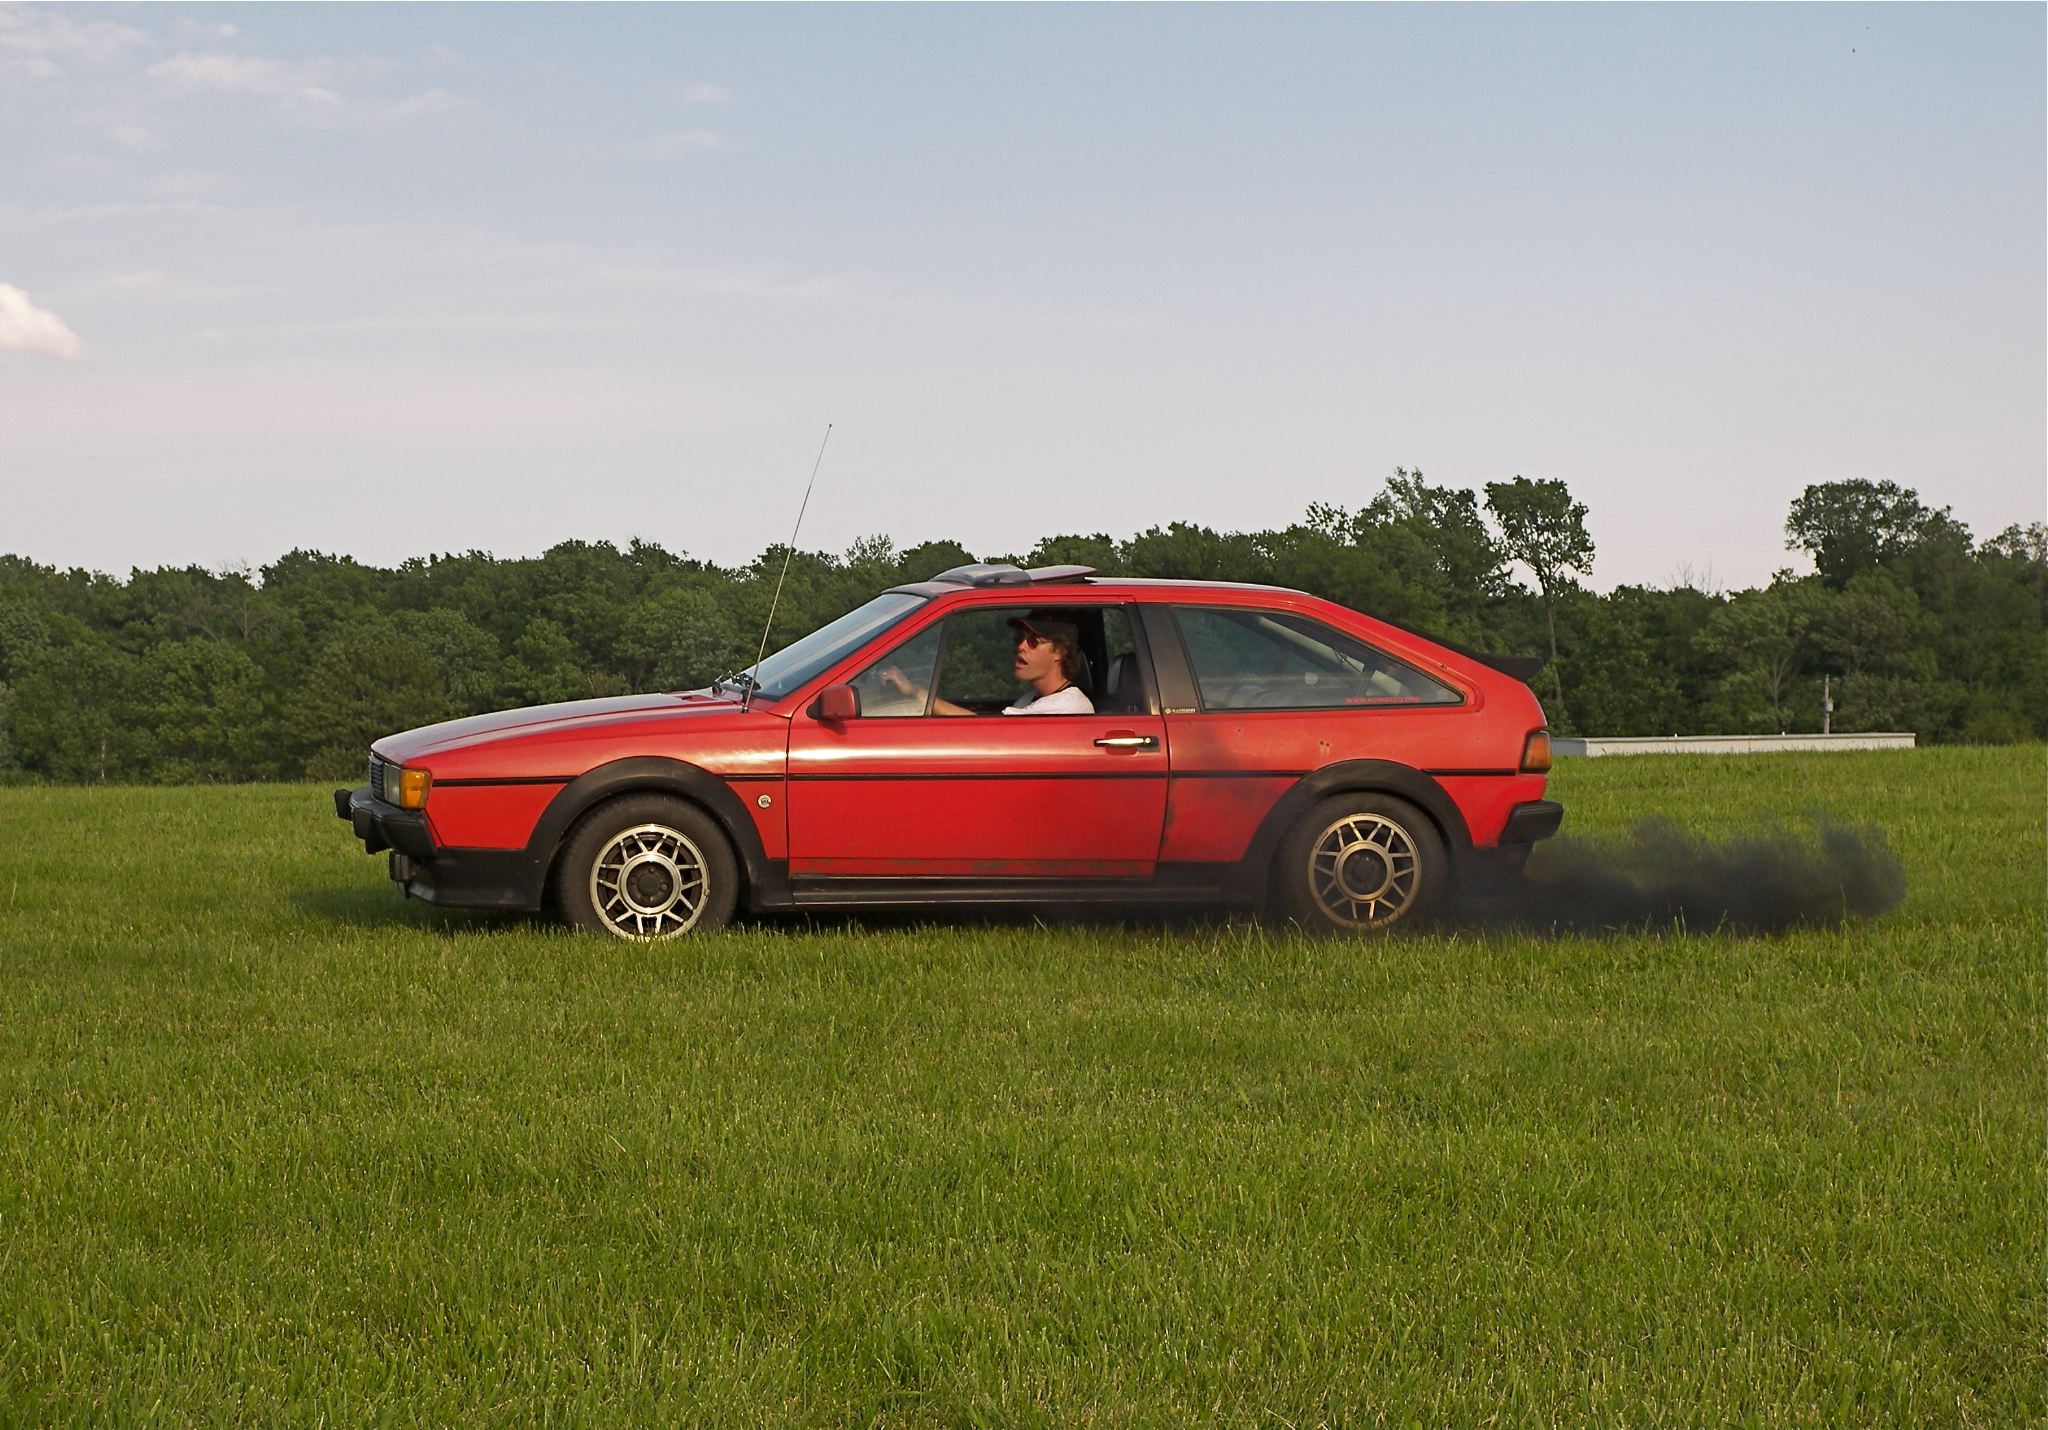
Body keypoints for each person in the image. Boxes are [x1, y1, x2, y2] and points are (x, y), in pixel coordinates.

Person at [881, 613, 1095, 715]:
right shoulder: (1031, 698)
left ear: (1059, 652)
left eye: (1033, 641)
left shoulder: (1065, 707)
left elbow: (986, 729)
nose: (1021, 646)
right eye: (1019, 639)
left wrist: (914, 692)